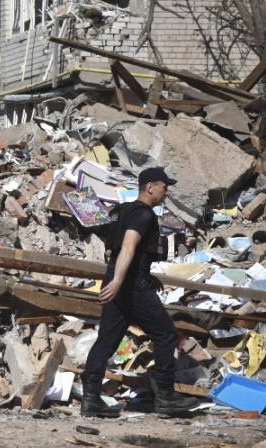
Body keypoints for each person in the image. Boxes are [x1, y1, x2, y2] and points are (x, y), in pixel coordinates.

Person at [80, 167, 201, 417]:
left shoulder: (122, 212)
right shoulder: (143, 215)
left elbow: (121, 250)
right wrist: (119, 280)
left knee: (107, 340)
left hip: (122, 280)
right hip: (130, 286)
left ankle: (90, 400)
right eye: (164, 187)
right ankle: (165, 397)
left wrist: (143, 275)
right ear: (150, 187)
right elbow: (128, 247)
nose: (166, 193)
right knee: (166, 334)